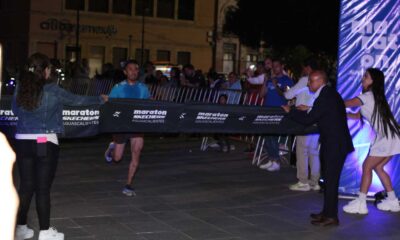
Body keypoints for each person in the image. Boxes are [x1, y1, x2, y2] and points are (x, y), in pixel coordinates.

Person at [12, 53, 107, 240]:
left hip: (23, 141)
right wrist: (100, 99)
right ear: (45, 70)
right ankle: (45, 232)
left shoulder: (20, 88)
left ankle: (21, 228)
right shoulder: (53, 90)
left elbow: (15, 110)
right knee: (42, 188)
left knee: (25, 186)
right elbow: (78, 101)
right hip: (43, 141)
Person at [282, 70, 354, 226]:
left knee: (331, 181)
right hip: (334, 143)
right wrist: (306, 109)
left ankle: (332, 217)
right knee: (328, 180)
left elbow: (309, 119)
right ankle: (327, 212)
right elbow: (320, 113)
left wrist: (291, 111)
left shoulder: (325, 97)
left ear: (320, 81)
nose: (309, 84)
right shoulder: (327, 94)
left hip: (335, 145)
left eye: (311, 81)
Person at [342, 68, 400, 214]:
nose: (363, 78)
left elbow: (345, 103)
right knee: (378, 168)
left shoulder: (367, 96)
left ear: (373, 81)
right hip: (393, 137)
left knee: (367, 166)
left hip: (387, 138)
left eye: (366, 76)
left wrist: (330, 102)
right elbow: (356, 116)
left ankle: (361, 204)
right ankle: (393, 201)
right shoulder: (373, 96)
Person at [104, 60, 151, 197]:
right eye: (130, 69)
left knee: (136, 152)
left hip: (137, 125)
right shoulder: (118, 88)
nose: (134, 72)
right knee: (117, 158)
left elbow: (149, 104)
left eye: (136, 69)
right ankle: (112, 148)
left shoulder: (143, 88)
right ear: (125, 72)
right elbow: (110, 106)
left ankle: (128, 185)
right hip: (121, 126)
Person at [284, 59, 320, 191]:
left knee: (302, 151)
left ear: (308, 68)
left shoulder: (305, 80)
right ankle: (314, 181)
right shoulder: (321, 80)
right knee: (314, 152)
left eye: (304, 67)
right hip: (316, 119)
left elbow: (288, 95)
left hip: (304, 119)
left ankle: (303, 181)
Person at [259, 59, 294, 171]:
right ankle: (271, 159)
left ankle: (276, 161)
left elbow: (286, 96)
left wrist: (276, 85)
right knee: (267, 135)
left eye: (277, 66)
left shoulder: (287, 80)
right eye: (273, 66)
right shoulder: (270, 79)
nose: (274, 68)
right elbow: (261, 94)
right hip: (267, 110)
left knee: (273, 136)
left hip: (278, 111)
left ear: (282, 66)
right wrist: (265, 82)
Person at [0, 132, 18, 240]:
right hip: (43, 138)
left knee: (28, 183)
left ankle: (23, 227)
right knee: (41, 186)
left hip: (24, 138)